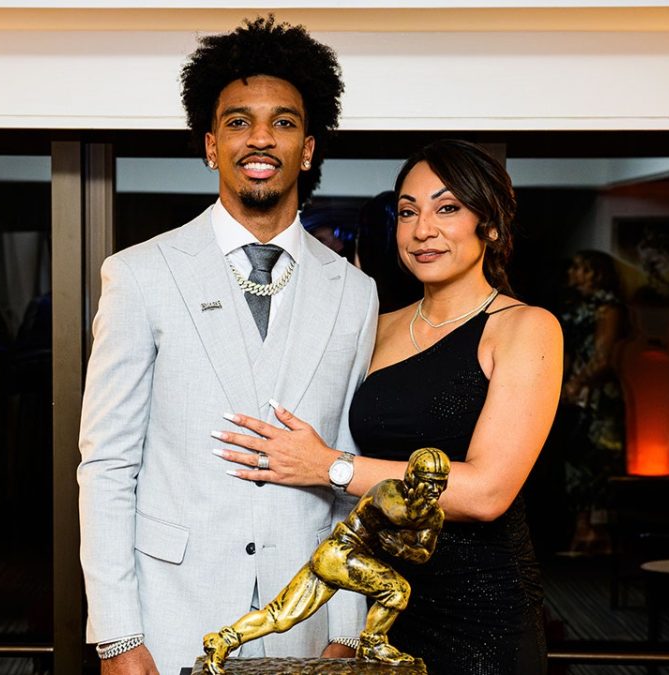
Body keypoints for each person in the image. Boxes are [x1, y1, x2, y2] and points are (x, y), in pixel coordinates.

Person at [77, 16, 378, 675]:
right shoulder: (140, 274)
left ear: (308, 148)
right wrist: (118, 636)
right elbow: (107, 465)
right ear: (212, 146)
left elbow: (350, 475)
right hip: (170, 616)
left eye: (283, 122)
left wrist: (348, 628)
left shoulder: (355, 294)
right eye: (239, 122)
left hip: (308, 621)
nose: (260, 138)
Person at [215, 139, 562, 674]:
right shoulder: (376, 325)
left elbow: (487, 492)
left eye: (447, 208)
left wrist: (329, 466)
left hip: (482, 612)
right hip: (379, 603)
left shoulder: (524, 327)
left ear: (490, 226)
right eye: (407, 212)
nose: (423, 230)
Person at [201, 448, 450, 674]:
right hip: (339, 552)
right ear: (411, 477)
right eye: (428, 482)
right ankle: (372, 644)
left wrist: (404, 549)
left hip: (338, 559)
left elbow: (423, 553)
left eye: (440, 483)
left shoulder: (434, 515)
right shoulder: (389, 490)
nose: (434, 490)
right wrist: (418, 524)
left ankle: (224, 640)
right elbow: (398, 514)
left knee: (281, 616)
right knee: (397, 590)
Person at [560, 250, 627, 554]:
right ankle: (581, 529)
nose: (573, 273)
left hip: (599, 395)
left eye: (580, 268)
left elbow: (603, 357)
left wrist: (576, 383)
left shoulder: (608, 307)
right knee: (575, 458)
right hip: (572, 392)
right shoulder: (573, 307)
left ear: (595, 273)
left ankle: (601, 534)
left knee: (600, 459)